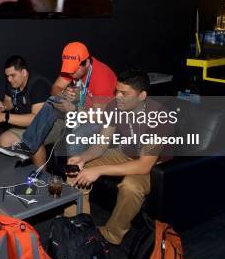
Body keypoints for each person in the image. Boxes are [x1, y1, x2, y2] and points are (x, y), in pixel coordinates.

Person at [64, 69, 174, 246]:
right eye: (117, 91)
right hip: (125, 154)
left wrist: (98, 170)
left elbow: (144, 166)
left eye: (125, 93)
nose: (118, 97)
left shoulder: (159, 118)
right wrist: (83, 158)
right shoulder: (114, 106)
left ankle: (112, 234)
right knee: (75, 169)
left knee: (131, 187)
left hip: (154, 167)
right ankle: (77, 222)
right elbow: (101, 144)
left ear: (142, 95)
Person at [0, 41, 117, 160]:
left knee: (74, 142)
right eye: (68, 69)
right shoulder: (73, 67)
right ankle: (27, 146)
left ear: (87, 63)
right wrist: (63, 94)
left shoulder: (102, 78)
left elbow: (101, 117)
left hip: (101, 119)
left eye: (73, 70)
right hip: (79, 110)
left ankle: (75, 173)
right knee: (53, 100)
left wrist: (74, 109)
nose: (70, 73)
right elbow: (55, 88)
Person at [0, 55, 51, 166]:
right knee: (4, 140)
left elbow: (37, 120)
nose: (9, 79)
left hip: (51, 124)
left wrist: (4, 117)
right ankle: (18, 174)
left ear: (24, 72)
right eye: (7, 76)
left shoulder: (38, 85)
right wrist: (3, 106)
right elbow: (9, 101)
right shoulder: (12, 83)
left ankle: (40, 178)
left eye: (12, 75)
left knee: (33, 139)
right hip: (27, 124)